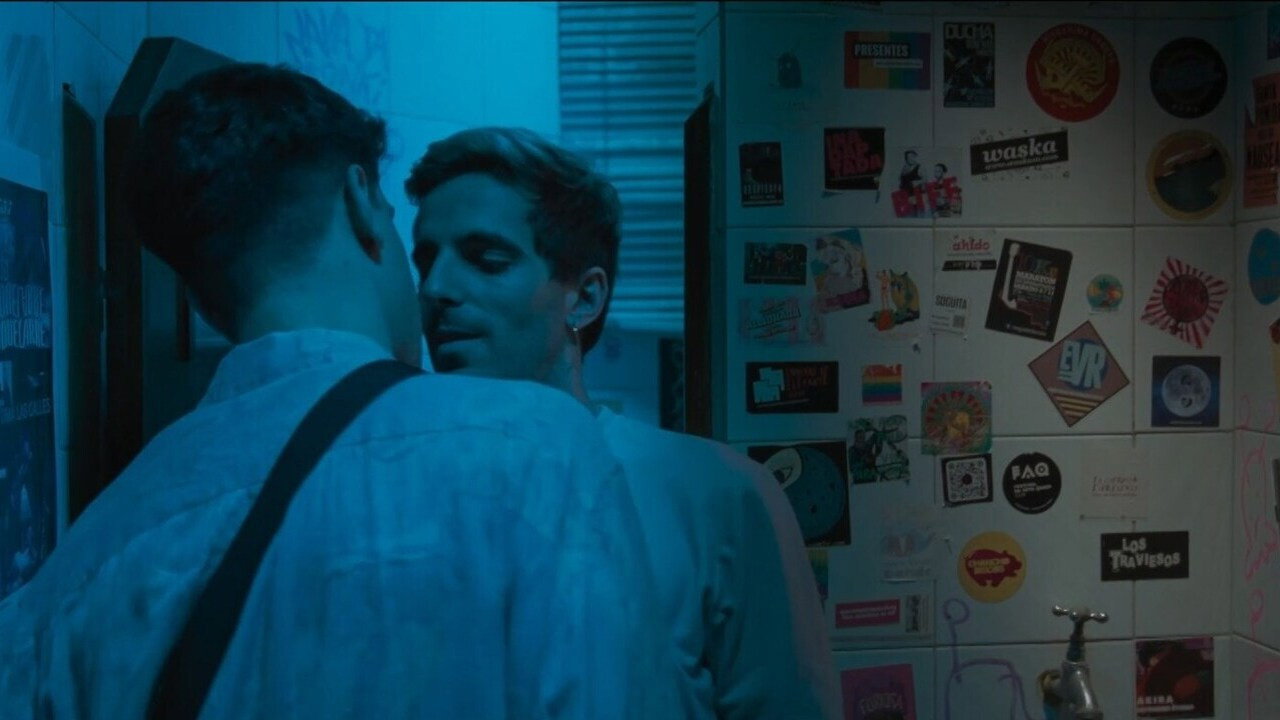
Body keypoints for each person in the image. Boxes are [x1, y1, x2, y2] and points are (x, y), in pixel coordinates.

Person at [0, 64, 677, 719]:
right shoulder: (537, 452)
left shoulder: (72, 575)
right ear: (361, 205)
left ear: (200, 299)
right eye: (418, 250)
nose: (437, 290)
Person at [407, 126, 841, 720]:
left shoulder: (710, 494)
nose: (437, 289)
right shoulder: (403, 490)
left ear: (584, 298)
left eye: (487, 260)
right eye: (426, 261)